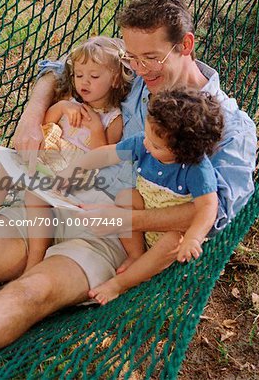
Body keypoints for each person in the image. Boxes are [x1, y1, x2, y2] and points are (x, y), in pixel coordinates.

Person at [0, 0, 256, 363]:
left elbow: (213, 214)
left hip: (113, 238)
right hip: (54, 198)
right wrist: (31, 117)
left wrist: (124, 219)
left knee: (29, 293)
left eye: (152, 58)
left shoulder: (230, 127)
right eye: (133, 58)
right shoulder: (134, 78)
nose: (141, 69)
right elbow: (57, 68)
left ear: (186, 44)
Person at [0, 36, 132, 274]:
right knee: (4, 169)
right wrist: (61, 108)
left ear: (115, 79)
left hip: (76, 177)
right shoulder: (69, 102)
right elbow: (45, 126)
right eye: (79, 75)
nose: (84, 82)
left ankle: (35, 258)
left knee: (35, 198)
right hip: (49, 163)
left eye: (94, 76)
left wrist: (96, 127)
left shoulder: (112, 118)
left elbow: (102, 158)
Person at [58, 88, 224, 305]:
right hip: (145, 219)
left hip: (169, 235)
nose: (146, 144)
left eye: (155, 145)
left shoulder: (196, 169)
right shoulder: (144, 143)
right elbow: (108, 154)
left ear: (183, 152)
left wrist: (193, 237)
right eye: (147, 135)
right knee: (127, 196)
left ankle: (120, 284)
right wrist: (75, 168)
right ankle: (136, 255)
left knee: (174, 239)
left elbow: (208, 207)